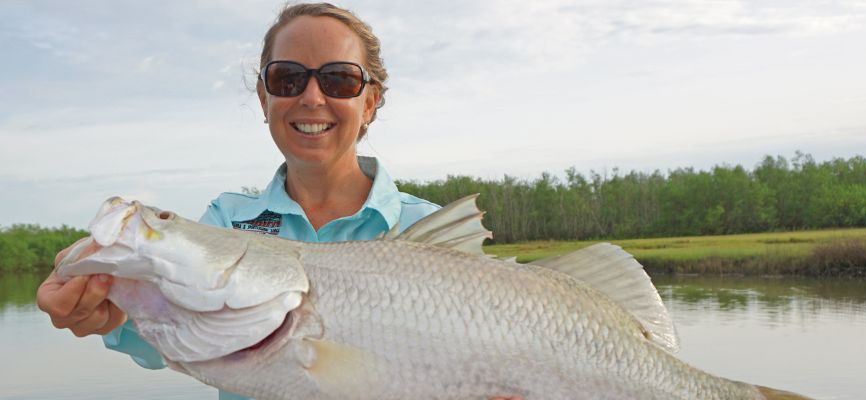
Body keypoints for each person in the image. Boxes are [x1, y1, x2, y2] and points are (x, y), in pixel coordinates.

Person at [38, 3, 523, 400]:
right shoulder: (227, 220)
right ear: (264, 95)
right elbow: (166, 325)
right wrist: (109, 303)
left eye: (339, 80)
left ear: (370, 102)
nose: (312, 98)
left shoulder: (430, 231)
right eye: (288, 79)